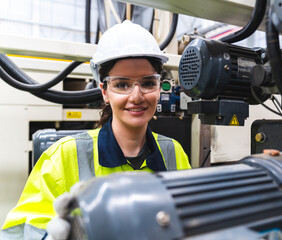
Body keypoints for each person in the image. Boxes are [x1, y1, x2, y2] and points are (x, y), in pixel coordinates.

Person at [1, 20, 191, 240]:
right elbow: (18, 234)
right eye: (122, 84)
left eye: (148, 83)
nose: (137, 96)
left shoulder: (173, 152)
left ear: (159, 88)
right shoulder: (62, 157)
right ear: (104, 92)